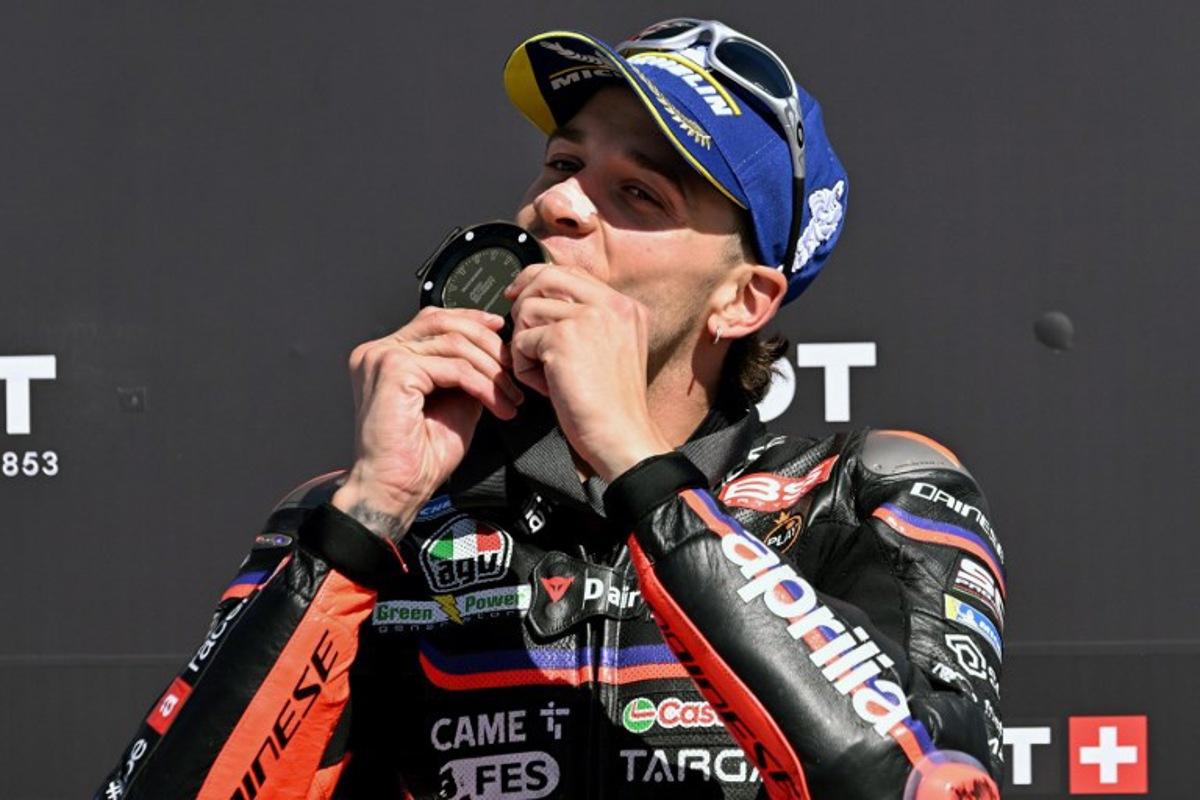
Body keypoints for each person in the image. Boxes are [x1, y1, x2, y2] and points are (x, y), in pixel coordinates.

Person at [95, 19, 1005, 800]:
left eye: (637, 193)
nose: (559, 204)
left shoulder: (863, 493)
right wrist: (368, 512)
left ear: (742, 301)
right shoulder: (369, 521)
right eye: (564, 163)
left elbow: (930, 781)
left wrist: (639, 471)